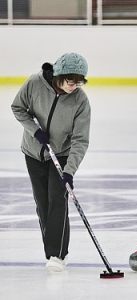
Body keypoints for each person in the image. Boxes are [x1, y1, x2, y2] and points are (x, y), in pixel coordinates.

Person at [11, 52, 91, 272]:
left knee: (57, 200)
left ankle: (57, 255)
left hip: (62, 155)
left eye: (80, 82)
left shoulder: (80, 100)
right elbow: (18, 108)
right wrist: (35, 131)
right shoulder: (34, 83)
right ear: (58, 75)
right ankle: (51, 251)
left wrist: (69, 171)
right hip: (33, 152)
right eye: (71, 81)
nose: (75, 86)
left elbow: (80, 140)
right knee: (43, 203)